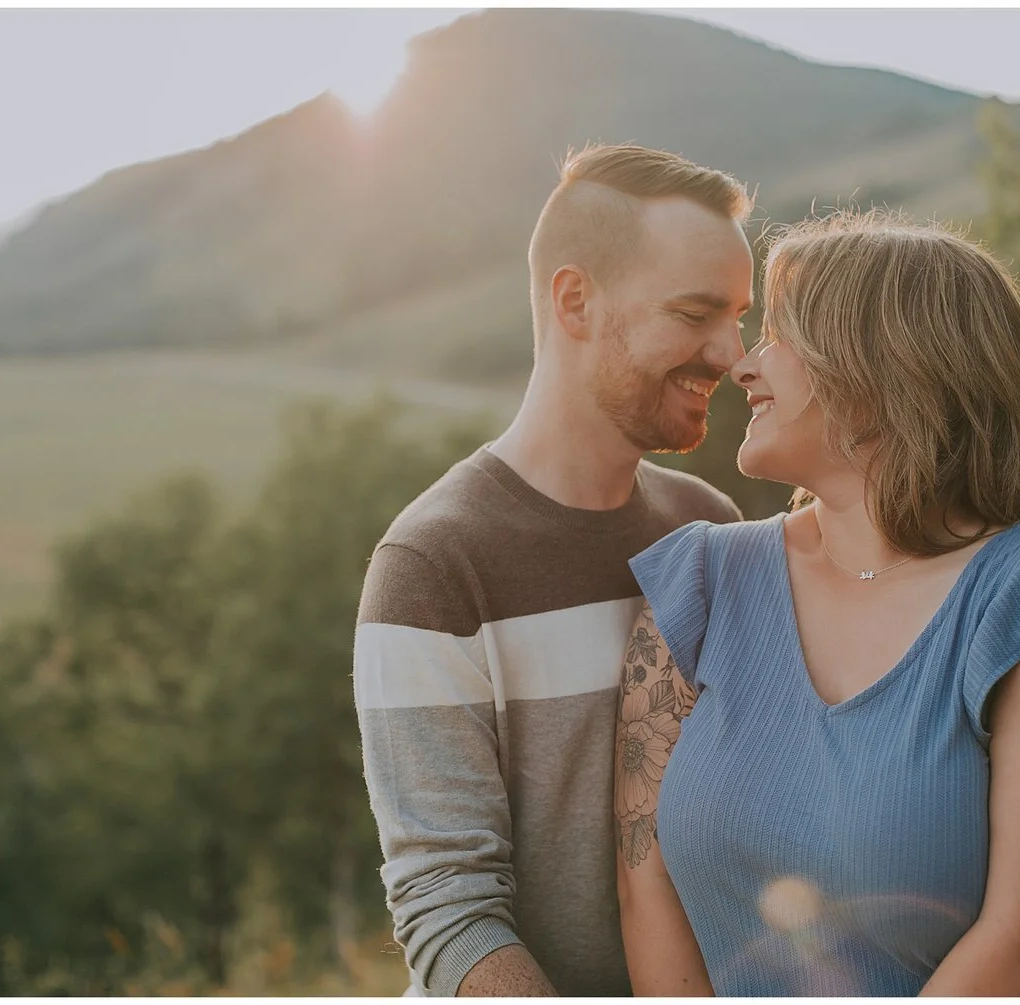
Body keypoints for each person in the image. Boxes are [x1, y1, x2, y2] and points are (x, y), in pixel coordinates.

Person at [615, 210, 1020, 997]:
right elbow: (645, 883)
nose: (744, 367)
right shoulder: (696, 583)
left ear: (879, 365)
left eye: (780, 337)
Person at [355, 144, 755, 996]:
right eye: (695, 313)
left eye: (738, 317)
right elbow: (448, 906)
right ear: (575, 301)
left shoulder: (711, 530)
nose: (730, 352)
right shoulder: (433, 563)